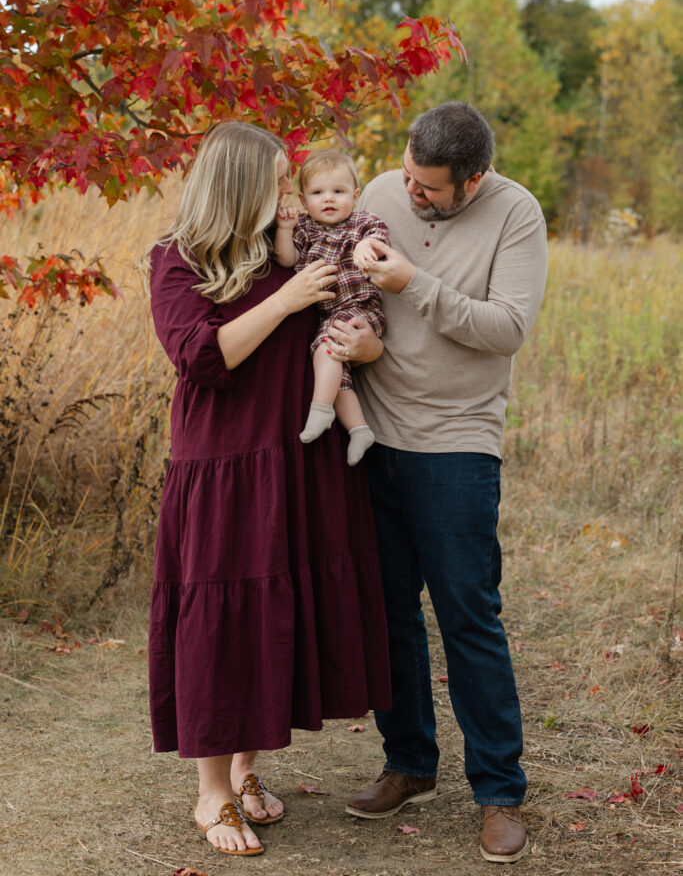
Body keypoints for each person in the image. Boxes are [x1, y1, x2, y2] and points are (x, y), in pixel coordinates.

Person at [145, 122, 391, 858]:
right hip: (222, 463)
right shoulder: (176, 258)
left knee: (276, 611)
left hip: (294, 456)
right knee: (223, 616)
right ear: (240, 183)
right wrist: (285, 301)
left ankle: (248, 770)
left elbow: (347, 331)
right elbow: (200, 358)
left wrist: (361, 338)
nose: (289, 194)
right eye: (278, 181)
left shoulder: (290, 247)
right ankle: (210, 795)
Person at [336, 101, 548, 863]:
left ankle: (498, 790)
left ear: (474, 178)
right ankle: (408, 762)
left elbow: (506, 329)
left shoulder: (515, 213)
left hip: (457, 442)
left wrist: (413, 283)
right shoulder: (382, 193)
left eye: (428, 188)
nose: (410, 194)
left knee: (467, 616)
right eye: (408, 176)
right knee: (388, 610)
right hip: (373, 433)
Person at [274, 149, 391, 466]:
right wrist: (285, 231)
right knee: (338, 375)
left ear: (354, 195)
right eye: (317, 192)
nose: (329, 199)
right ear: (302, 198)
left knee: (324, 348)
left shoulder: (361, 223)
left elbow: (379, 236)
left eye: (338, 192)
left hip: (360, 309)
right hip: (330, 314)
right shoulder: (305, 228)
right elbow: (288, 260)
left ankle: (320, 411)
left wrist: (367, 245)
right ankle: (359, 429)